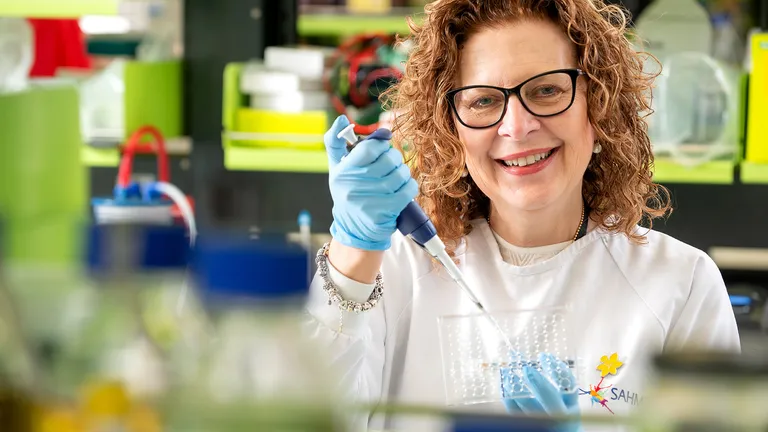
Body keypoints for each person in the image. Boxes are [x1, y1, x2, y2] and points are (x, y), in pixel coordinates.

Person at [304, 0, 740, 431]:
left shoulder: (681, 285)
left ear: (599, 103)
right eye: (483, 101)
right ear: (449, 126)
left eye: (546, 90)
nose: (517, 126)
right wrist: (352, 254)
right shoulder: (398, 272)